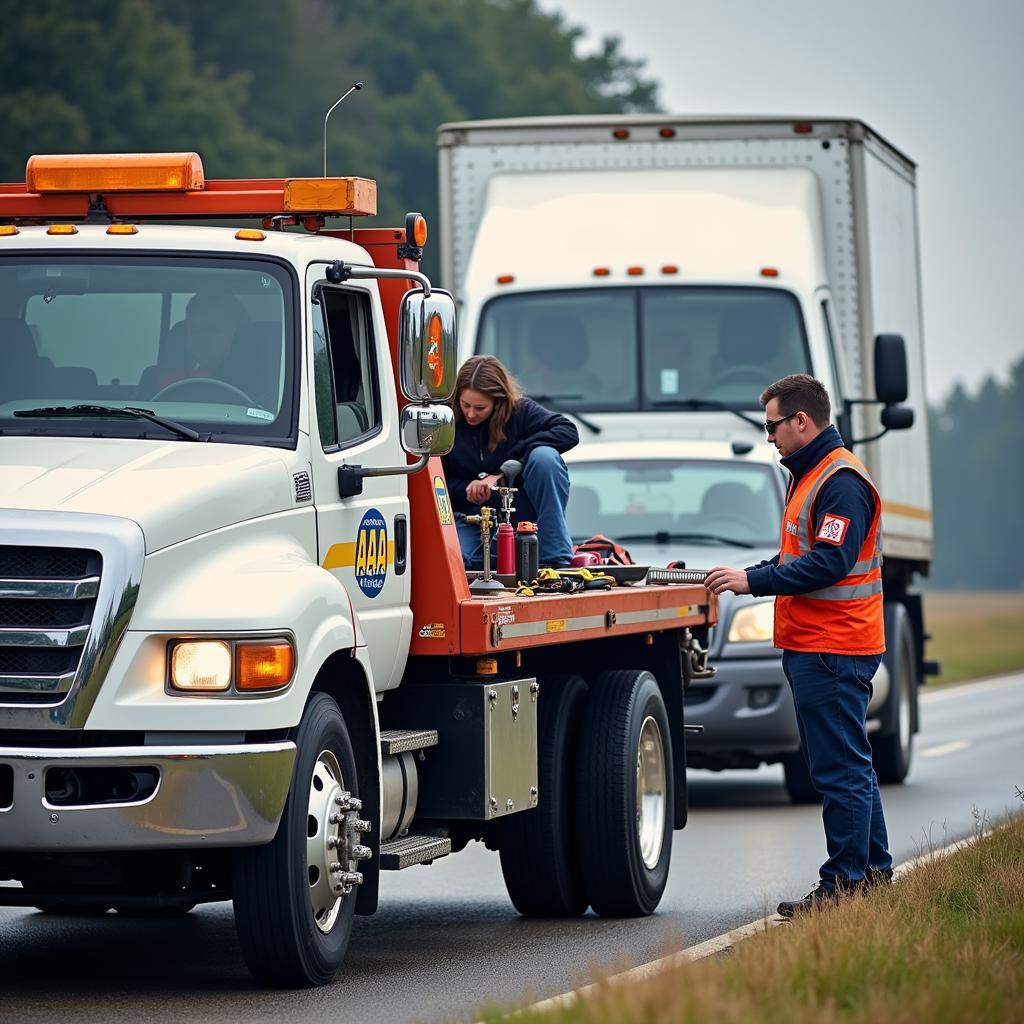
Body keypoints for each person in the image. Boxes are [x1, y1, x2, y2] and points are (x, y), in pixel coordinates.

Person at [704, 373, 892, 917]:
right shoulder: (810, 476)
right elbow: (797, 557)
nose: (769, 437)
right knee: (850, 765)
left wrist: (752, 583)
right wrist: (748, 571)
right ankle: (872, 875)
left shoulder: (839, 481)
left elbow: (831, 561)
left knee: (839, 770)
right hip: (822, 644)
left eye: (772, 426)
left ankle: (844, 886)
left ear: (801, 421)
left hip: (834, 646)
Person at [444, 355, 579, 570]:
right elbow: (432, 481)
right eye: (465, 405)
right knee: (454, 560)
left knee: (544, 457)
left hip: (524, 527)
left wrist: (504, 472)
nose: (470, 414)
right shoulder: (444, 421)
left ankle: (555, 558)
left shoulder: (520, 412)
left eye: (480, 408)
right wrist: (466, 489)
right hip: (470, 523)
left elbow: (568, 431)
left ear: (498, 401)